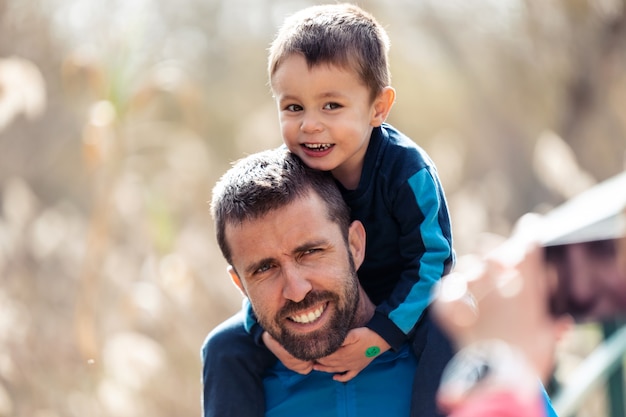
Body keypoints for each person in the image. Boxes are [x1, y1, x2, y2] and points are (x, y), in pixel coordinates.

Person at [203, 4, 456, 417]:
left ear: (378, 108)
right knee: (225, 345)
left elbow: (434, 261)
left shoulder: (408, 172)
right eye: (294, 108)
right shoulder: (297, 169)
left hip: (406, 299)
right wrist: (263, 332)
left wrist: (381, 335)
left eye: (331, 106)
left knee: (451, 326)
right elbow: (265, 258)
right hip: (325, 305)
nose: (310, 125)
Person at [202, 148, 421, 416]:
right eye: (265, 269)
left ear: (354, 246)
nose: (296, 291)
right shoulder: (236, 371)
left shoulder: (443, 355)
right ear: (240, 285)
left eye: (309, 252)